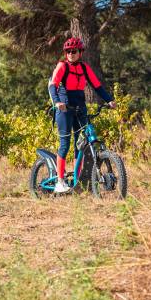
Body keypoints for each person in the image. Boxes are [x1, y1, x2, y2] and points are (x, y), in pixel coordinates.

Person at [47, 37, 116, 194]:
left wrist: (109, 100)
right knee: (64, 144)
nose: (71, 54)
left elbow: (97, 86)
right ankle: (60, 181)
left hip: (80, 109)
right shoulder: (62, 66)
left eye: (74, 51)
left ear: (80, 53)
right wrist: (57, 102)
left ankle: (77, 182)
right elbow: (53, 86)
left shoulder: (84, 68)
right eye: (68, 51)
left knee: (81, 144)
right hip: (64, 110)